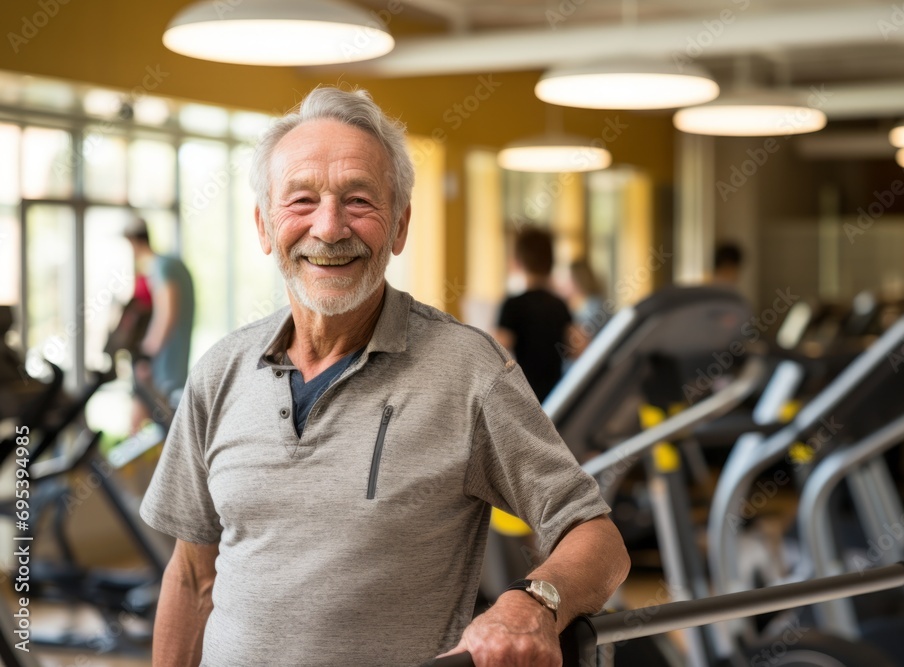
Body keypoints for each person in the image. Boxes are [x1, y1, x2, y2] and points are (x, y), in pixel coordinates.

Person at [139, 85, 630, 667]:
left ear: (399, 226)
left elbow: (597, 538)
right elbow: (192, 577)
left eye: (359, 201)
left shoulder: (468, 371)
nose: (329, 228)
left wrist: (534, 602)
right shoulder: (219, 371)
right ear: (265, 226)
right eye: (301, 200)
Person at [123, 218, 194, 429]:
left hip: (163, 366)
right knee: (149, 421)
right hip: (172, 363)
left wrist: (147, 354)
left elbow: (166, 314)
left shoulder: (162, 267)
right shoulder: (173, 265)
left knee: (153, 425)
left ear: (133, 242)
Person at [494, 227, 577, 402]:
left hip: (525, 397)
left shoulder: (514, 305)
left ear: (518, 261)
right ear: (551, 261)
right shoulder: (559, 305)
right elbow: (575, 348)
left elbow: (497, 350)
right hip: (556, 395)